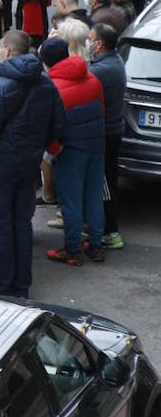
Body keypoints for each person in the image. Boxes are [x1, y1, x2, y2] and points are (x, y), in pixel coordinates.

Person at [0, 29, 66, 298]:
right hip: (27, 165)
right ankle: (20, 286)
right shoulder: (46, 83)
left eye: (0, 45)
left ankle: (1, 287)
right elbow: (58, 125)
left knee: (1, 228)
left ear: (8, 51)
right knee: (22, 224)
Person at [40, 35, 107, 267]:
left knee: (71, 202)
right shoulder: (92, 77)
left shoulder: (52, 87)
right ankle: (96, 245)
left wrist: (54, 150)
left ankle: (72, 249)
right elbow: (102, 110)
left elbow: (49, 126)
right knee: (94, 196)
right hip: (96, 145)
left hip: (70, 150)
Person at [88, 23, 127, 251]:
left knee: (104, 184)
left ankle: (109, 232)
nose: (88, 42)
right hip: (112, 131)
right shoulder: (113, 61)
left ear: (99, 44)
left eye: (90, 39)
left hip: (105, 135)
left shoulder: (102, 69)